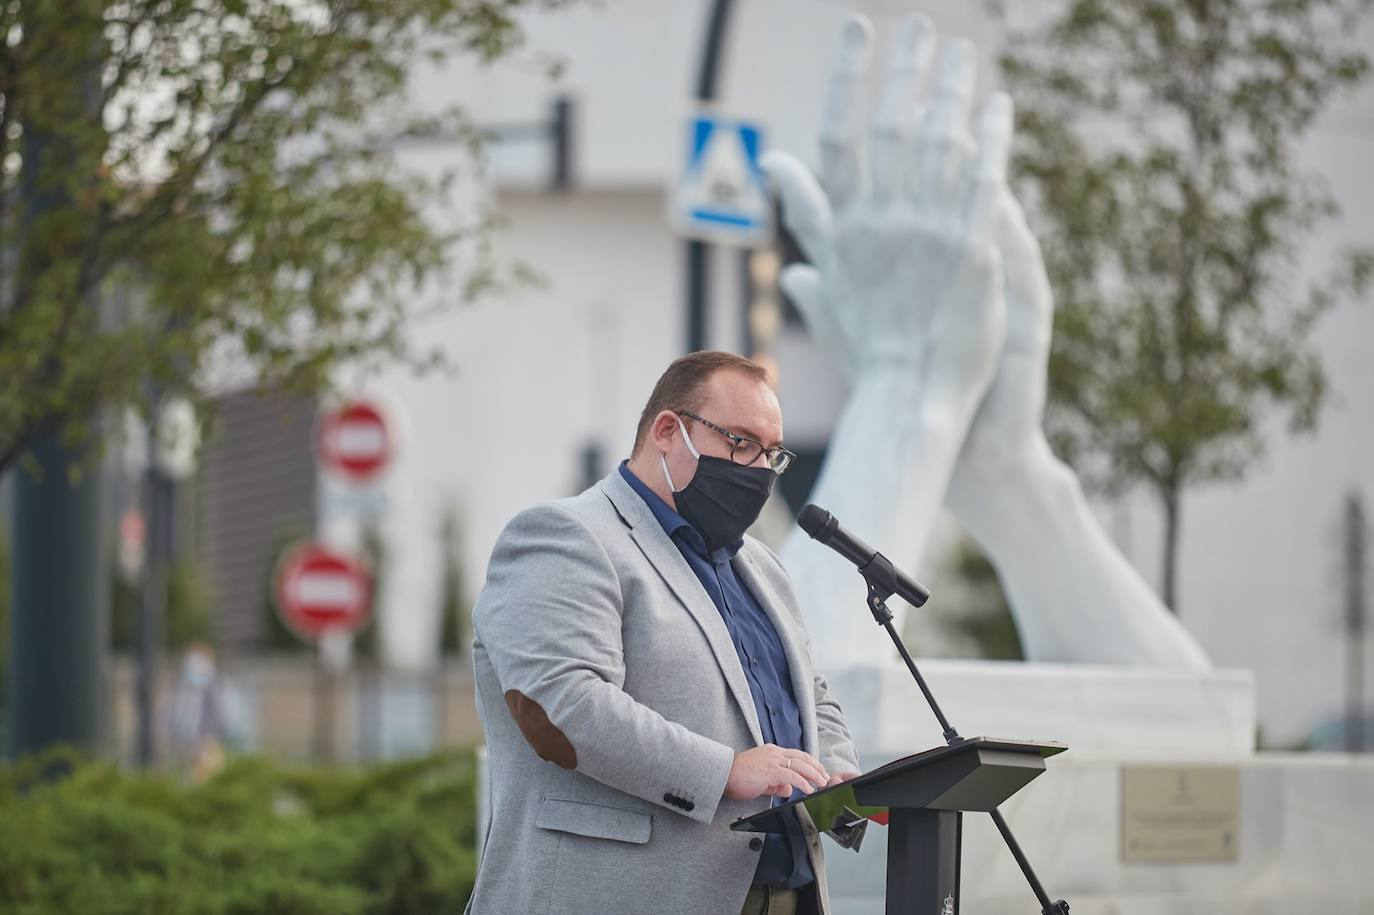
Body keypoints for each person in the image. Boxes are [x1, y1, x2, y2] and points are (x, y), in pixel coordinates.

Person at [468, 351, 861, 915]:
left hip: (787, 896)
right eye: (740, 442)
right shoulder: (565, 537)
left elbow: (811, 695)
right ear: (668, 431)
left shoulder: (764, 569)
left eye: (772, 453)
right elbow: (562, 707)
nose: (758, 470)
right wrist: (726, 771)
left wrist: (834, 773)